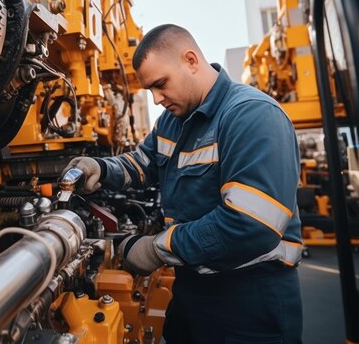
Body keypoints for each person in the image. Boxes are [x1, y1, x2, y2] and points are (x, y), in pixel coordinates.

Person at [62, 24, 303, 343]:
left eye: (160, 85)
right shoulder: (172, 124)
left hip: (250, 301)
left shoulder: (251, 116)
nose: (157, 99)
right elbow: (142, 163)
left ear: (190, 60)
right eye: (150, 90)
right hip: (192, 289)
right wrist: (101, 168)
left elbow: (250, 225)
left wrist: (157, 249)